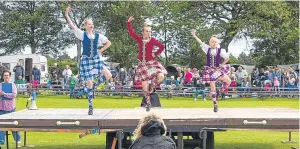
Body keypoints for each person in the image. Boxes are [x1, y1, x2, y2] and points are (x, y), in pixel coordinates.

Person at [65, 7, 112, 115]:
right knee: (89, 82)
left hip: (96, 58)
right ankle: (90, 106)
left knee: (109, 75)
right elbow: (72, 26)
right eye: (89, 24)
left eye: (92, 24)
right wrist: (67, 14)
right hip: (86, 59)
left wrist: (101, 50)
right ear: (85, 26)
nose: (91, 25)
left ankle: (95, 86)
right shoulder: (82, 34)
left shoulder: (98, 36)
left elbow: (109, 43)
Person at [127, 16, 167, 111]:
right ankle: (148, 104)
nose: (148, 33)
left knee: (161, 76)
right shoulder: (139, 39)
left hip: (151, 65)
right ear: (143, 32)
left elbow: (162, 46)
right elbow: (131, 33)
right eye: (147, 31)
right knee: (144, 87)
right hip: (142, 65)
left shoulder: (152, 40)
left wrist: (155, 53)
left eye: (150, 31)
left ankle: (152, 86)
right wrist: (128, 23)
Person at [192, 29, 231, 112]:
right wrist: (194, 35)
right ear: (209, 42)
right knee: (212, 87)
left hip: (217, 70)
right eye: (211, 41)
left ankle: (220, 92)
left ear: (217, 43)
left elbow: (227, 58)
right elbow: (200, 42)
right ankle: (215, 104)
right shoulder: (207, 49)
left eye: (214, 42)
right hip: (210, 70)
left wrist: (222, 64)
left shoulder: (220, 51)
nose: (213, 43)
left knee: (228, 81)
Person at [0, 70, 21, 145]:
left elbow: (13, 95)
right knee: (1, 125)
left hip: (11, 108)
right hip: (1, 108)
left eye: (7, 75)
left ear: (9, 76)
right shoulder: (1, 85)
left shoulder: (13, 85)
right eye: (5, 75)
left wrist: (4, 94)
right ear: (3, 76)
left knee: (13, 124)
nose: (6, 77)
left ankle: (17, 139)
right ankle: (1, 141)